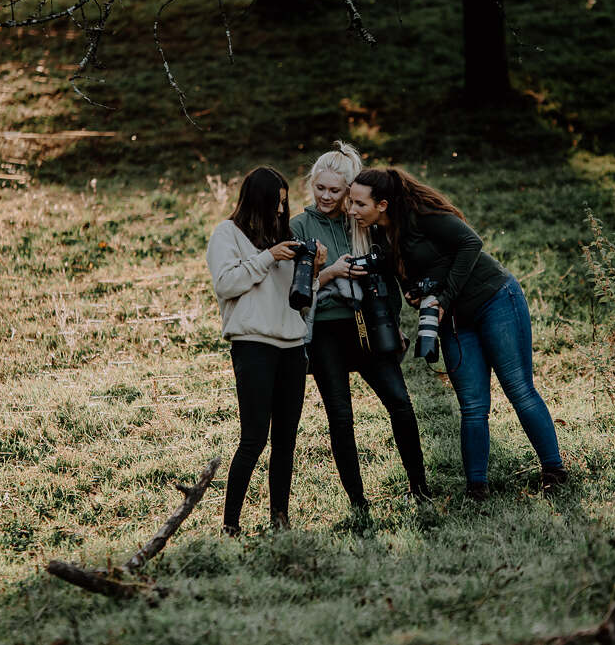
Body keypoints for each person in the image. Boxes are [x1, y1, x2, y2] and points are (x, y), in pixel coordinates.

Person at [348, 167, 567, 500]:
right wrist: (415, 293)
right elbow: (416, 274)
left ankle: (554, 470)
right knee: (472, 404)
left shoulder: (422, 216)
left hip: (495, 299)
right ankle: (476, 486)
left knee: (519, 389)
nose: (352, 210)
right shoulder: (380, 236)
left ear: (382, 204)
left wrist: (445, 297)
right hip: (454, 320)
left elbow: (471, 242)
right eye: (351, 202)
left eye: (359, 204)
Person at [291, 143, 431, 512]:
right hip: (324, 328)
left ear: (349, 189)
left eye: (335, 190)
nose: (326, 196)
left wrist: (393, 324)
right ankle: (358, 502)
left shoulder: (362, 222)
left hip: (367, 324)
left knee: (400, 403)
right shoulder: (299, 226)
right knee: (341, 415)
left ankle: (420, 488)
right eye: (320, 188)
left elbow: (387, 279)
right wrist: (330, 272)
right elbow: (293, 288)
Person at [206, 166, 327, 535]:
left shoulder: (286, 240)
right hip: (253, 345)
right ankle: (230, 525)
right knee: (254, 438)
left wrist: (313, 271)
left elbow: (303, 305)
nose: (280, 210)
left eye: (284, 203)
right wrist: (268, 257)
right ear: (258, 200)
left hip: (292, 348)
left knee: (286, 441)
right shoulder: (227, 234)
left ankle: (280, 520)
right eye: (276, 202)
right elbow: (226, 284)